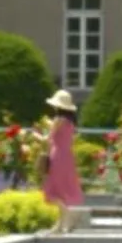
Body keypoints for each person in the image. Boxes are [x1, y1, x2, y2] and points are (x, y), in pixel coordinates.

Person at [41, 89, 84, 233]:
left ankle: (66, 214)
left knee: (51, 191)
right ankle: (60, 225)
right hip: (67, 157)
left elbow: (47, 139)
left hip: (57, 156)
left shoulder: (58, 120)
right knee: (61, 189)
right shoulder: (70, 122)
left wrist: (33, 135)